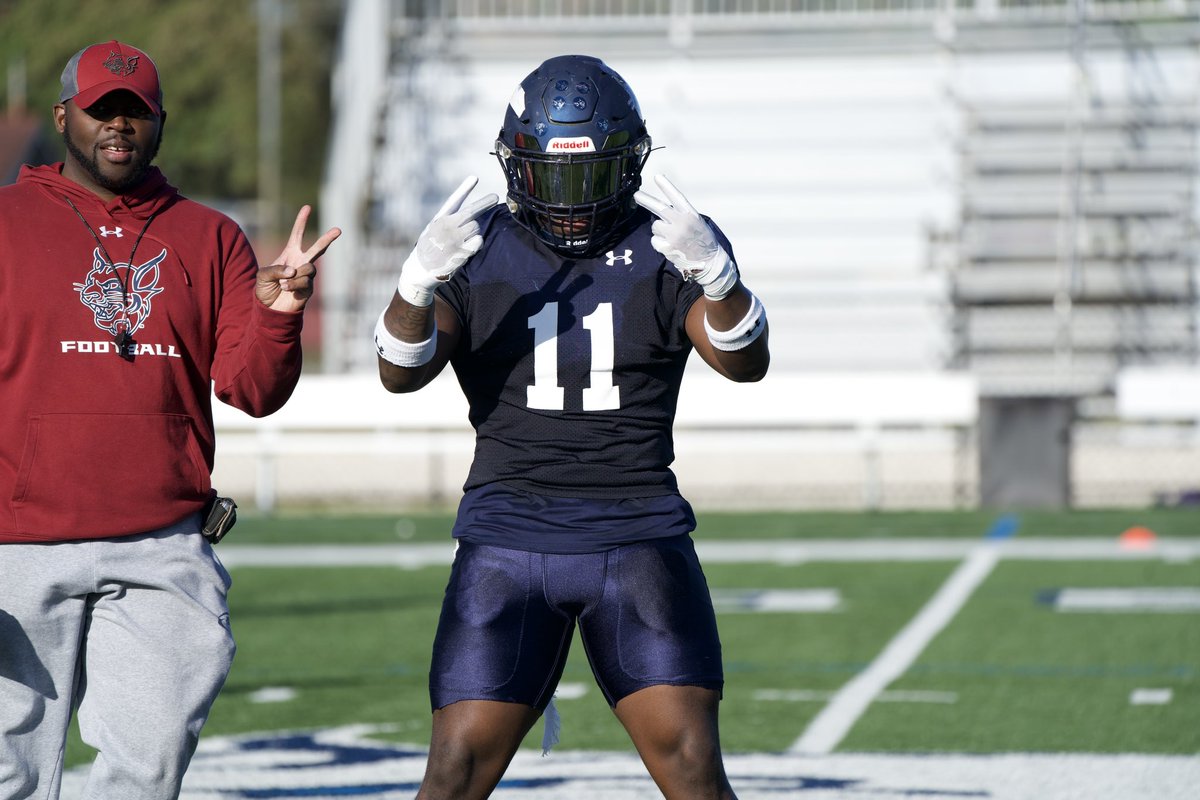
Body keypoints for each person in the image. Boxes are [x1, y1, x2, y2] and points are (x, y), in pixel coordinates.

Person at [374, 54, 769, 799]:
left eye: (590, 177)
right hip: (508, 535)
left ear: (628, 162)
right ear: (518, 166)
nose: (573, 202)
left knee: (692, 767)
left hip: (637, 531)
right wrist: (413, 288)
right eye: (554, 177)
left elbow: (744, 362)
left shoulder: (671, 240)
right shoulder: (476, 241)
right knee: (452, 772)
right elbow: (401, 370)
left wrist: (723, 281)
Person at [0, 40, 339, 800]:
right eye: (101, 111)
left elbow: (251, 389)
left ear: (160, 123)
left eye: (136, 113)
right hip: (14, 547)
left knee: (148, 774)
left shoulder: (209, 236)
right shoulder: (5, 221)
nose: (119, 126)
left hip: (163, 548)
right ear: (63, 117)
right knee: (7, 773)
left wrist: (280, 313)